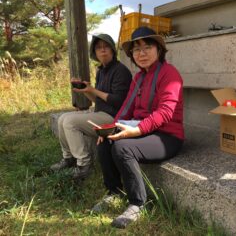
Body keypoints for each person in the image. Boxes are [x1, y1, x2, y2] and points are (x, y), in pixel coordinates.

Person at [94, 27, 184, 228]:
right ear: (132, 55)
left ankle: (137, 203)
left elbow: (166, 112)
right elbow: (126, 107)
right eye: (136, 50)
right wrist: (109, 128)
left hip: (167, 136)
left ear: (159, 49)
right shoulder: (139, 77)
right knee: (105, 140)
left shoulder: (170, 74)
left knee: (122, 147)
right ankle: (114, 191)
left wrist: (138, 130)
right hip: (144, 129)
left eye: (147, 47)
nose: (141, 53)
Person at [50, 34, 132, 180]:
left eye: (106, 47)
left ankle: (83, 165)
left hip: (114, 117)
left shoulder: (121, 71)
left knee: (70, 122)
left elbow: (119, 101)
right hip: (101, 112)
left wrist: (93, 90)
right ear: (95, 53)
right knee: (62, 118)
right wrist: (87, 91)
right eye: (99, 48)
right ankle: (68, 158)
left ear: (113, 50)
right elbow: (98, 100)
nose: (103, 50)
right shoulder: (101, 71)